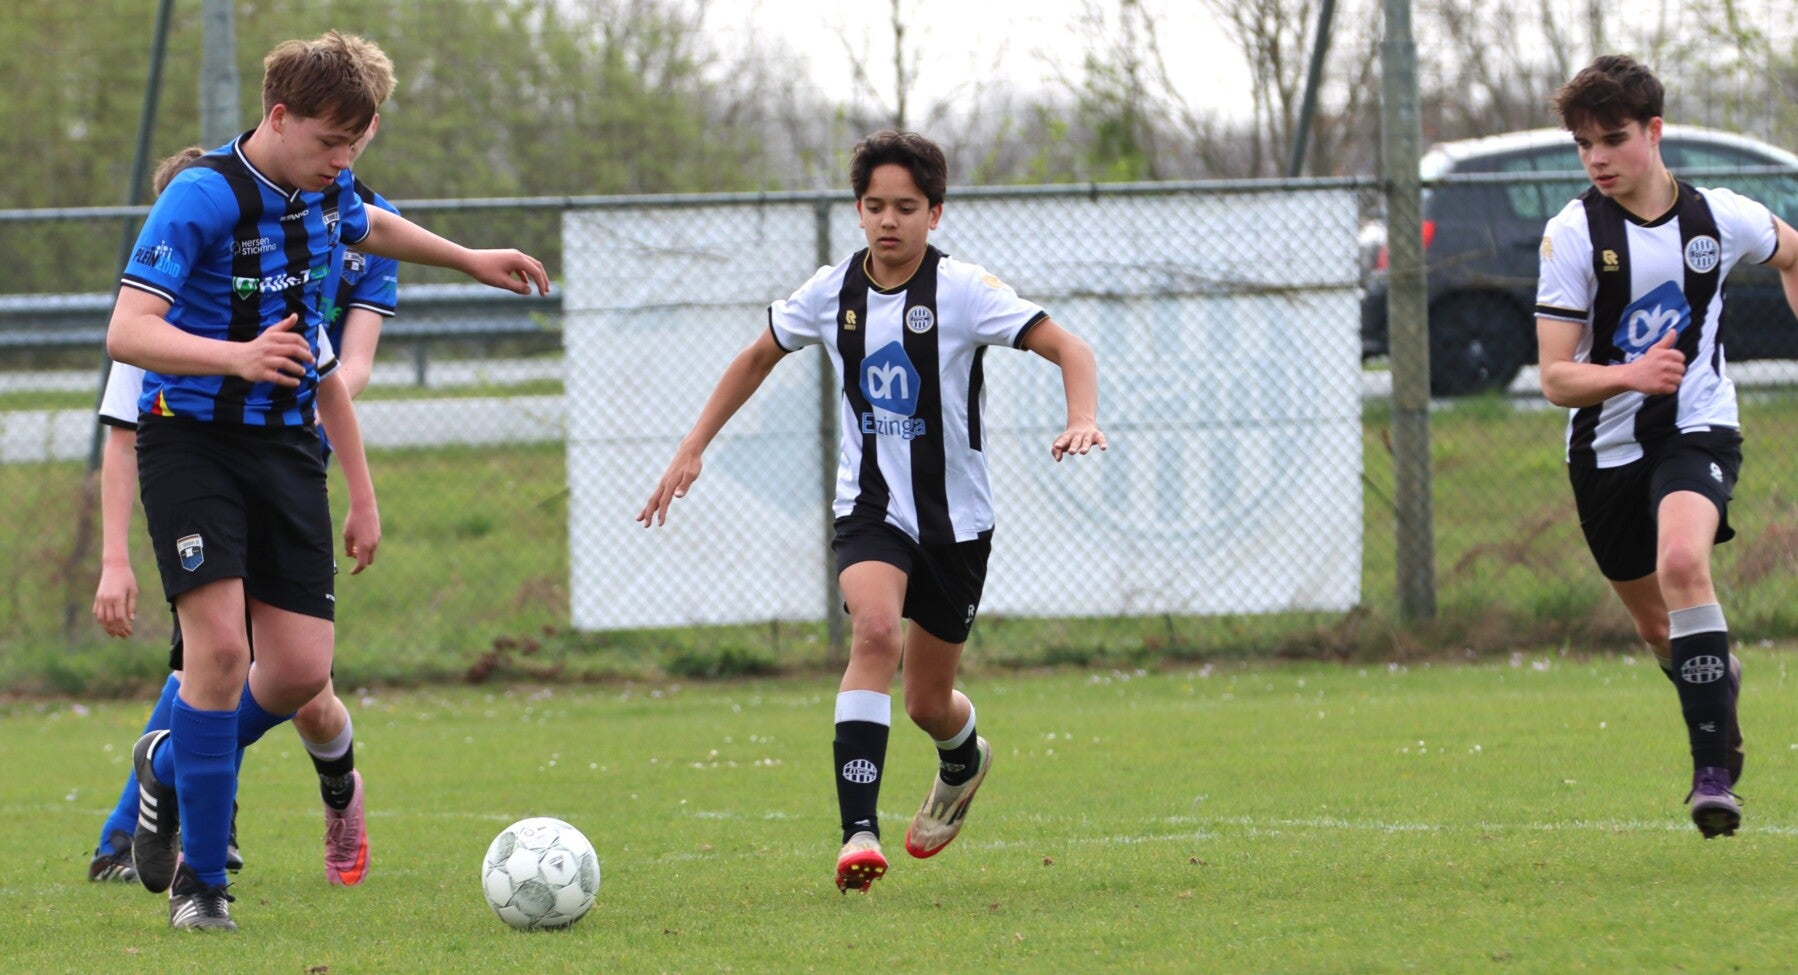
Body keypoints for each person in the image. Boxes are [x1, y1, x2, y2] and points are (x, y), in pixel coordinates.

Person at [106, 31, 548, 931]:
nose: (343, 161)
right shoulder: (201, 195)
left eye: (355, 144)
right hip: (191, 440)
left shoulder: (330, 189)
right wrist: (235, 356)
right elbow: (127, 329)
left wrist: (468, 257)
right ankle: (202, 888)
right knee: (218, 655)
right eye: (329, 142)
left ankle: (167, 764)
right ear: (279, 117)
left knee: (301, 670)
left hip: (285, 449)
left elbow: (370, 225)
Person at [639, 130, 1106, 892]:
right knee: (876, 631)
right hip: (870, 508)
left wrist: (1080, 415)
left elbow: (1070, 347)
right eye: (875, 205)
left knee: (926, 701)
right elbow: (756, 356)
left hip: (956, 523)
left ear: (935, 213)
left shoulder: (963, 291)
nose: (889, 220)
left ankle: (963, 756)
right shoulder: (831, 292)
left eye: (906, 207)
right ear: (857, 209)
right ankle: (858, 832)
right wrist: (692, 446)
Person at [1534, 54, 1798, 839]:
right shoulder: (1573, 234)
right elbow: (1555, 378)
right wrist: (1628, 374)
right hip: (1603, 450)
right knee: (1657, 630)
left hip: (1696, 425)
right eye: (1582, 144)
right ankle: (1717, 679)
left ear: (1654, 131)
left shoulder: (1718, 218)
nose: (1596, 158)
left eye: (1612, 138)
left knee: (1683, 561)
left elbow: (1797, 255)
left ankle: (1712, 775)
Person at [88, 131, 400, 889]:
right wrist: (115, 560)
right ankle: (181, 854)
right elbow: (123, 441)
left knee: (306, 689)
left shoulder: (289, 289)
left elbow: (337, 377)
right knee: (212, 662)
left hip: (287, 469)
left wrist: (360, 494)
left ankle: (333, 791)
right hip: (200, 480)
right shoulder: (160, 333)